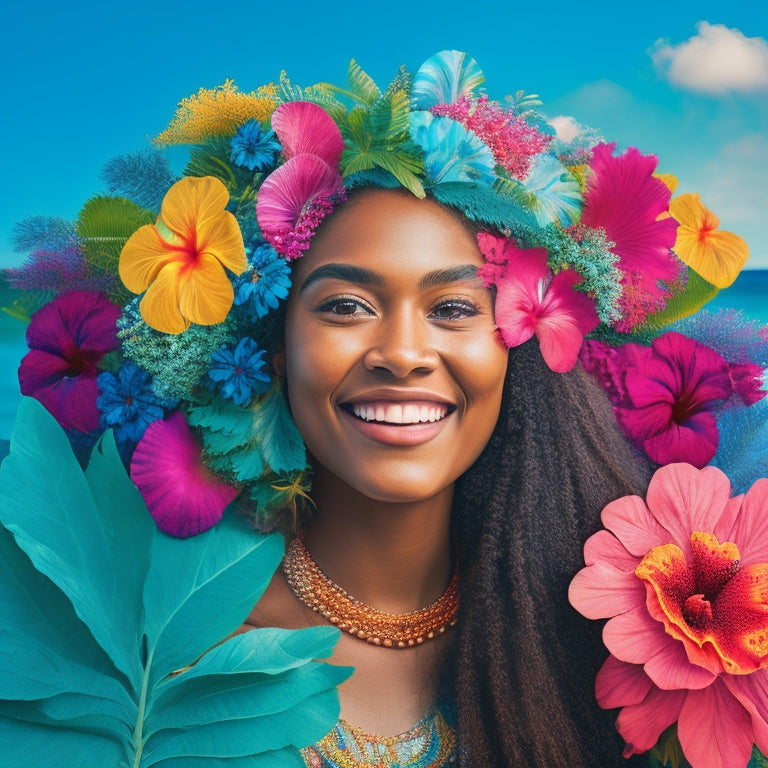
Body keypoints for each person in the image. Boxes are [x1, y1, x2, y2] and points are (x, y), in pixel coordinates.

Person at [4, 50, 765, 768]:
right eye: (345, 305)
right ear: (272, 352)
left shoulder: (632, 637)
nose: (402, 352)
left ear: (519, 349)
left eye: (455, 307)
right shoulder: (154, 642)